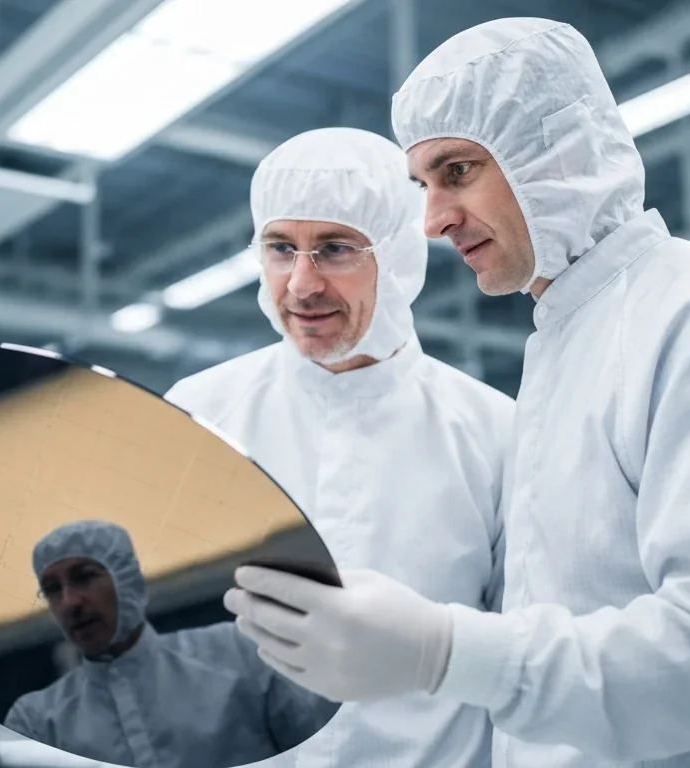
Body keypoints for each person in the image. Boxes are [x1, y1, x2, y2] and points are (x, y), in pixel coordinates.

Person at [223, 17, 690, 768]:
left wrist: (441, 650)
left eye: (457, 170)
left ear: (556, 150)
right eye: (423, 184)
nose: (433, 219)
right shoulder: (566, 342)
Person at [162, 126, 516, 767]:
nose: (301, 284)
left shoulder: (493, 433)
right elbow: (121, 629)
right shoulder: (199, 412)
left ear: (401, 254)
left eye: (334, 249)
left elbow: (527, 668)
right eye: (280, 248)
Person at [0, 519, 336, 767]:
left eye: (85, 577)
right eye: (52, 589)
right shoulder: (37, 716)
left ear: (129, 579)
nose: (70, 601)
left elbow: (329, 753)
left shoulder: (238, 653)